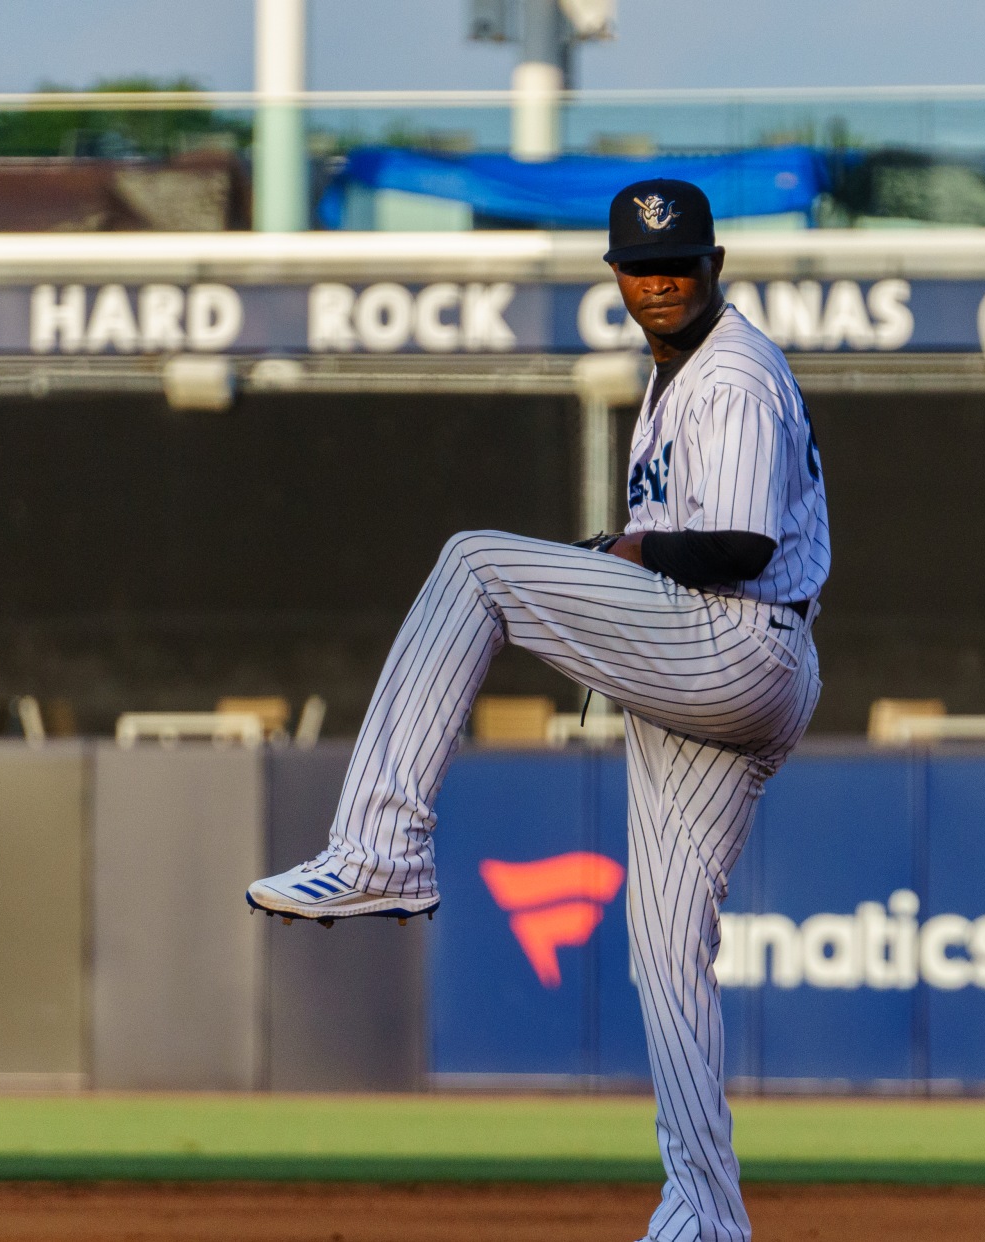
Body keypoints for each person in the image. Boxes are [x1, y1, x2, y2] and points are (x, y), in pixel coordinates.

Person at [248, 177, 828, 1242]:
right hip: (727, 671)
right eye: (642, 267)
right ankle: (705, 1214)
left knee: (476, 566)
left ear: (715, 267)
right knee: (665, 953)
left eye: (679, 265)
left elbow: (742, 544)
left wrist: (628, 550)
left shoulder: (735, 373)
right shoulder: (678, 374)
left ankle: (382, 845)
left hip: (736, 641)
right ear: (618, 276)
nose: (660, 282)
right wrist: (626, 559)